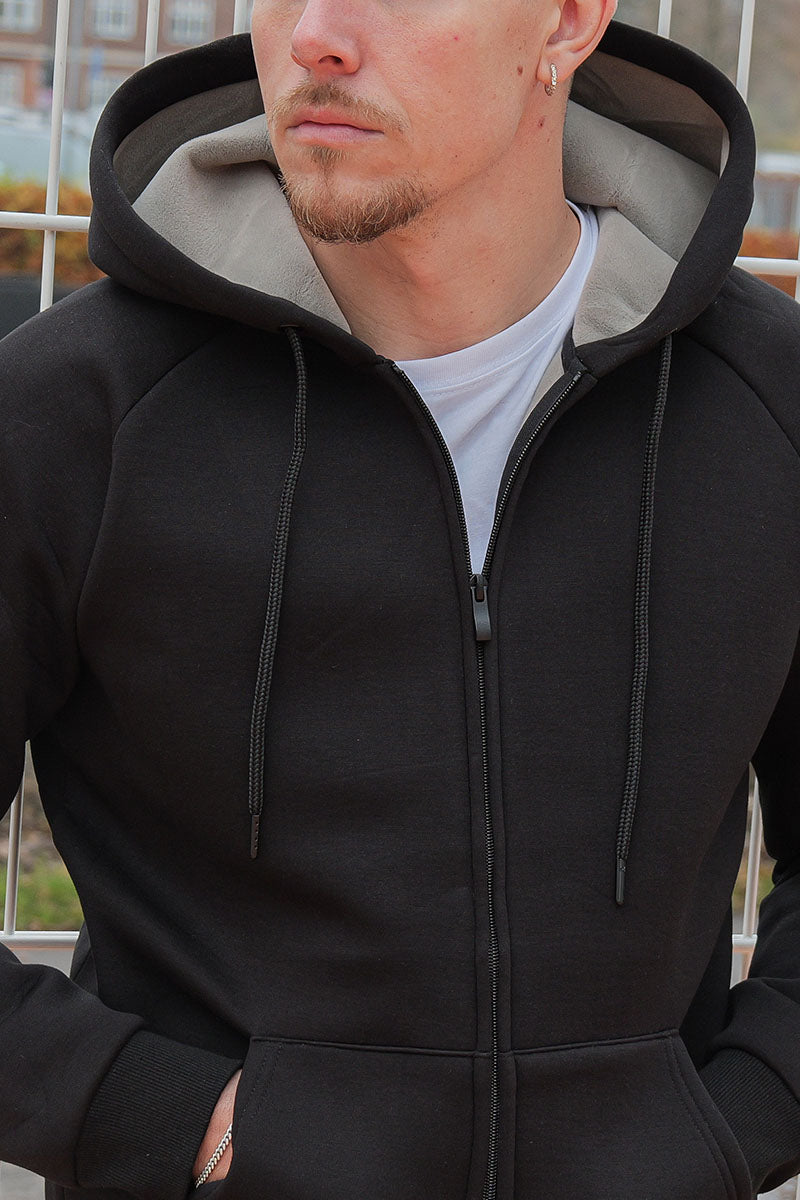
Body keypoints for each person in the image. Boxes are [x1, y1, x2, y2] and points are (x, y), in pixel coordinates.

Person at [2, 0, 800, 1195]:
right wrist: (169, 1122)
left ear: (566, 21)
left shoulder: (769, 404)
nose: (316, 35)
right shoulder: (72, 412)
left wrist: (726, 1127)